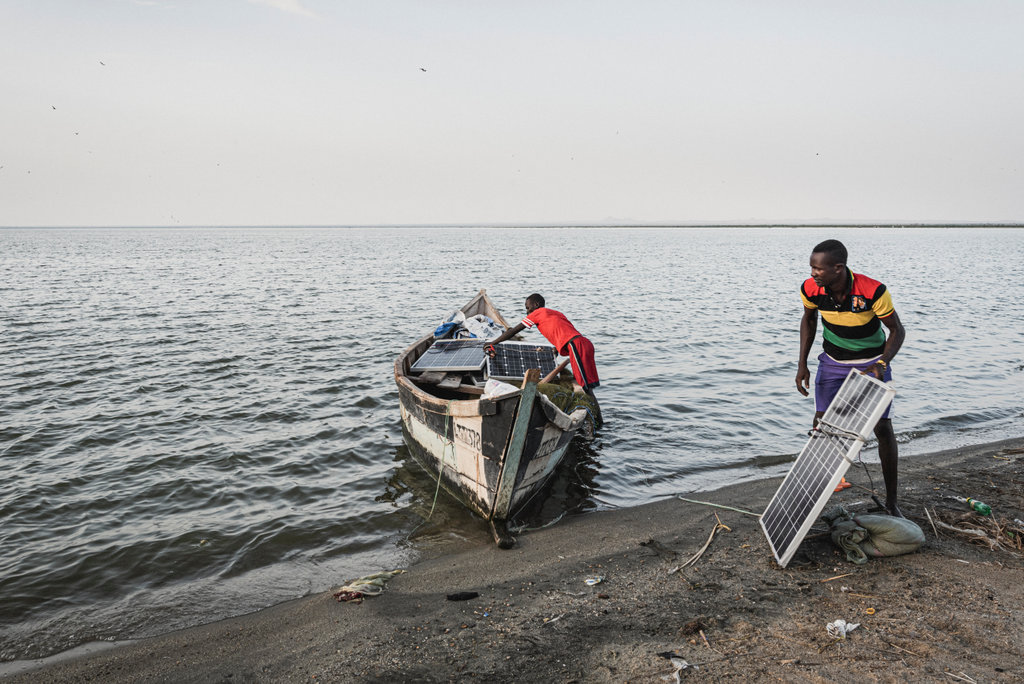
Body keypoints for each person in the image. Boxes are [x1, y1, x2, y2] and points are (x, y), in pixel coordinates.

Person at [796, 239, 907, 517]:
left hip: (872, 363)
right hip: (832, 362)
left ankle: (892, 502)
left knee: (882, 427)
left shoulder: (872, 290)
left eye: (818, 269)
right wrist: (802, 365)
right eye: (811, 267)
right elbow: (809, 321)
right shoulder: (811, 289)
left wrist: (882, 362)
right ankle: (816, 491)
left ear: (838, 268)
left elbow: (897, 331)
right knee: (822, 424)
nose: (812, 273)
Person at [487, 293, 602, 425]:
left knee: (587, 388)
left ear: (536, 305)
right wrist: (557, 349)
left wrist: (493, 343)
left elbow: (513, 331)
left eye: (527, 307)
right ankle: (599, 421)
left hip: (576, 346)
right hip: (583, 343)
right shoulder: (555, 313)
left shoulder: (538, 313)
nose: (527, 311)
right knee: (588, 386)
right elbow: (563, 330)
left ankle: (599, 422)